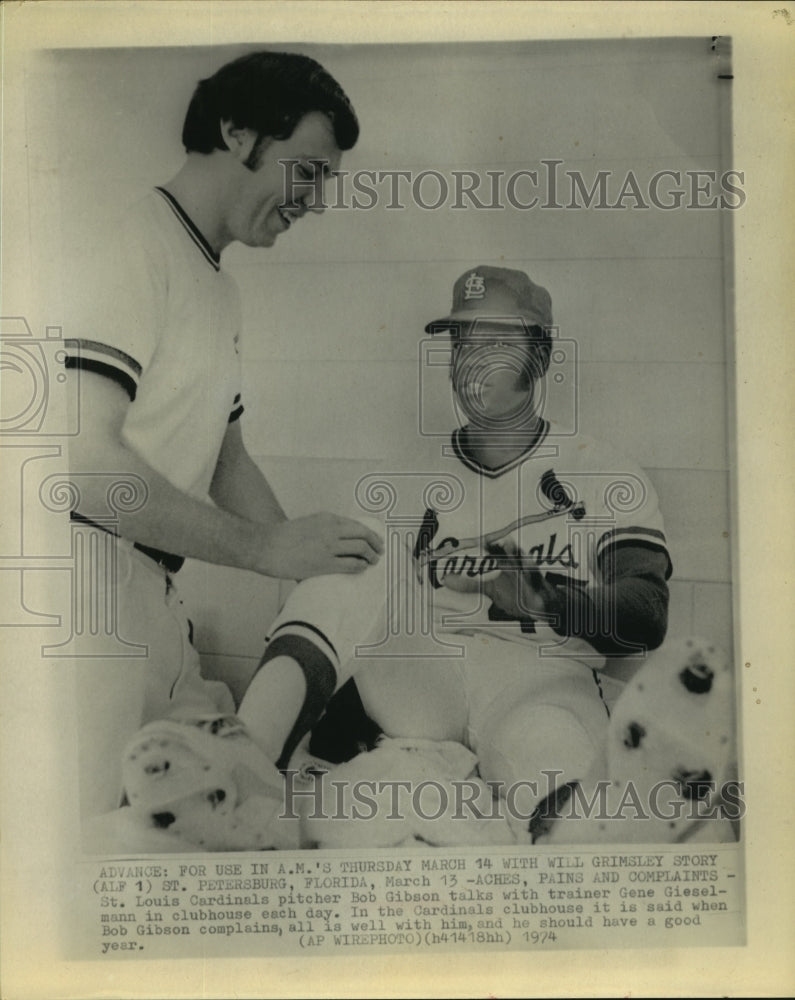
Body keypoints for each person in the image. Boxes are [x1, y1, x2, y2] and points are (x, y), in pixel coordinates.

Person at [64, 51, 384, 818]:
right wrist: (264, 552)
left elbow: (224, 461)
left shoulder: (220, 286)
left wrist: (312, 571)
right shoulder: (129, 243)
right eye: (305, 169)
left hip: (148, 598)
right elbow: (81, 465)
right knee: (78, 855)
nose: (312, 199)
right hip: (73, 585)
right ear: (238, 134)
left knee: (213, 804)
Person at [347, 265, 674, 827]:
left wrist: (547, 600)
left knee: (562, 800)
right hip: (424, 689)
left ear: (541, 357)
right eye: (461, 342)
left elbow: (647, 612)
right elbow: (346, 615)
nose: (473, 361)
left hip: (540, 681)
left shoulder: (601, 471)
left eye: (498, 342)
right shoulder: (401, 476)